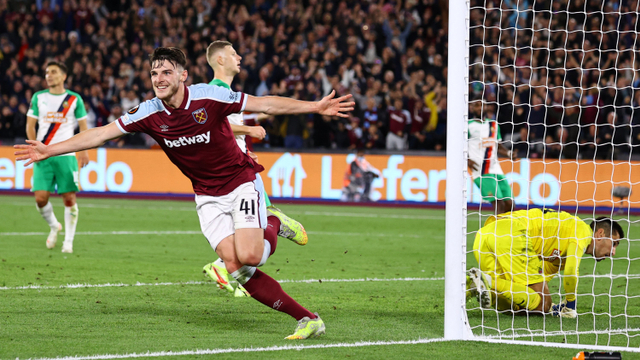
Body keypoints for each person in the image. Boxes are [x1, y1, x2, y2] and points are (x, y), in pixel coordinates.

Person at [15, 47, 355, 339]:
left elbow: (265, 103)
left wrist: (315, 107)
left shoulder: (210, 96)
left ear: (183, 75)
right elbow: (101, 134)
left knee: (250, 256)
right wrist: (49, 150)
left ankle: (272, 220)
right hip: (206, 195)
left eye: (166, 72)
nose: (159, 78)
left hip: (240, 183)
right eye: (153, 73)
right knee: (235, 267)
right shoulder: (148, 112)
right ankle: (308, 319)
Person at [202, 40, 279, 298]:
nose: (240, 57)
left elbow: (224, 131)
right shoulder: (215, 91)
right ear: (220, 60)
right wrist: (249, 129)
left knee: (248, 230)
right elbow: (212, 126)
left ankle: (231, 274)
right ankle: (225, 266)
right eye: (233, 54)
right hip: (235, 173)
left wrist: (244, 147)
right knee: (263, 222)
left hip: (239, 163)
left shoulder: (228, 93)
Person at [466, 208, 622, 318]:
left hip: (485, 235)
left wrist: (555, 306)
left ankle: (468, 288)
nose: (613, 252)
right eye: (614, 243)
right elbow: (571, 270)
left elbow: (540, 280)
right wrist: (570, 304)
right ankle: (487, 281)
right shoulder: (583, 231)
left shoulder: (561, 252)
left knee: (514, 306)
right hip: (513, 233)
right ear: (600, 234)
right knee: (542, 305)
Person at [26, 61, 90, 253]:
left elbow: (83, 127)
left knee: (69, 198)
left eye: (53, 72)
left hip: (66, 155)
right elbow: (30, 125)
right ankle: (54, 225)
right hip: (43, 155)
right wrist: (34, 147)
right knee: (40, 199)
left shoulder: (74, 99)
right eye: (46, 72)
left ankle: (68, 242)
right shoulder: (38, 97)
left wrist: (84, 150)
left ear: (63, 76)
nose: (49, 75)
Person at [467, 102, 514, 214]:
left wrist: (508, 153)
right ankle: (497, 231)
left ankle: (502, 228)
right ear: (471, 107)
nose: (480, 107)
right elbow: (459, 145)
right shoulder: (468, 125)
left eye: (482, 105)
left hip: (495, 168)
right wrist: (467, 160)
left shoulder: (493, 124)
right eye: (477, 105)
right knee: (498, 203)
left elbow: (497, 146)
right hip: (481, 169)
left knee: (509, 203)